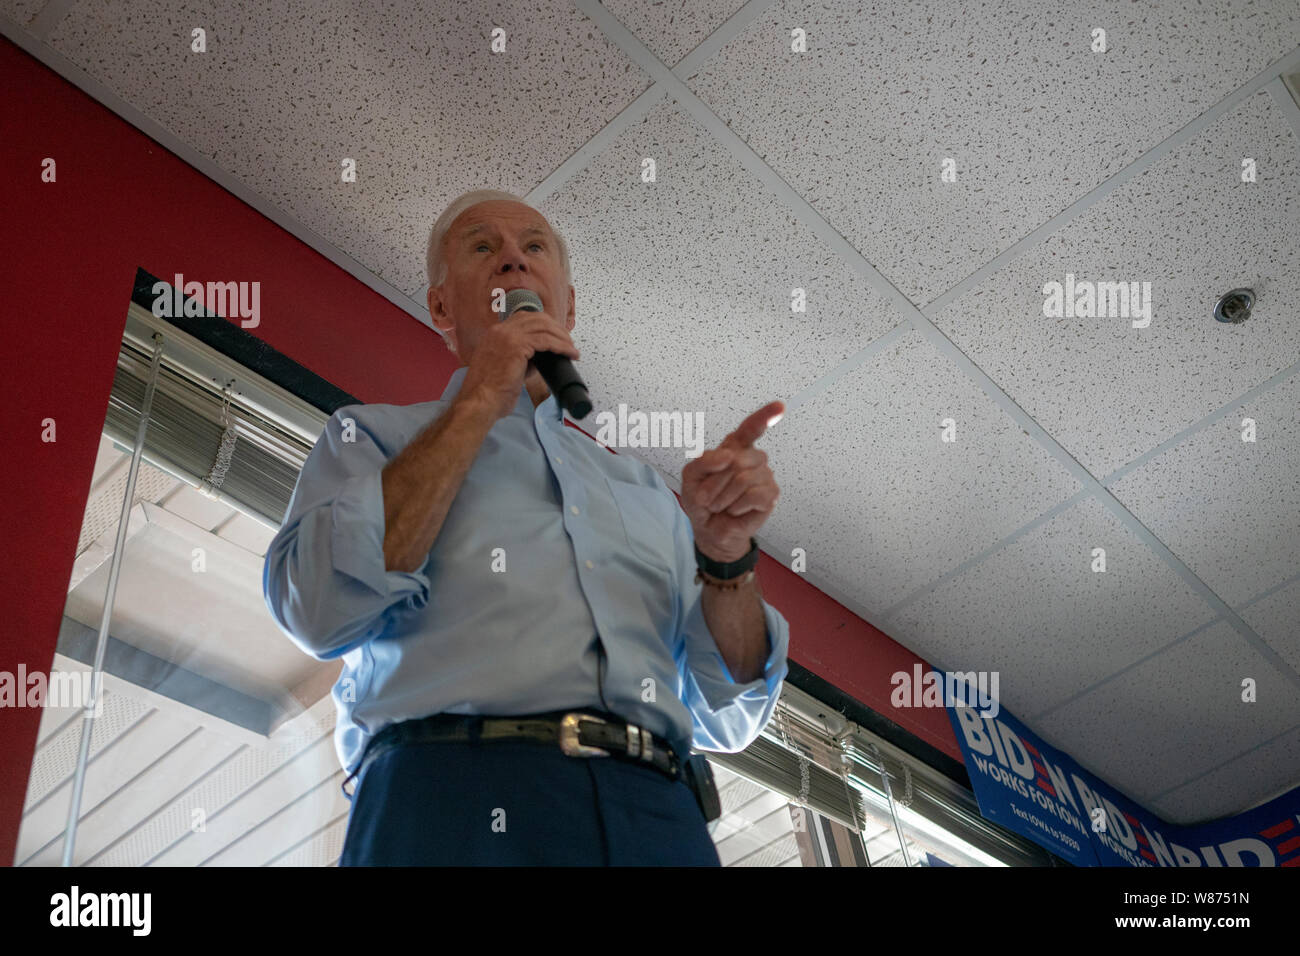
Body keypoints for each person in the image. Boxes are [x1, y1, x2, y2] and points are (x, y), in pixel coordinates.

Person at [262, 189, 791, 865]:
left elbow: (732, 704)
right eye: (482, 247)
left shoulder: (652, 496)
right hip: (450, 796)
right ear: (442, 307)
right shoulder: (371, 436)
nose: (513, 260)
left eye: (534, 247)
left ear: (567, 306)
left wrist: (724, 557)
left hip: (659, 814)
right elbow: (317, 608)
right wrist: (485, 395)